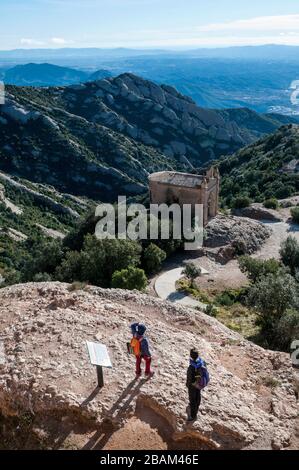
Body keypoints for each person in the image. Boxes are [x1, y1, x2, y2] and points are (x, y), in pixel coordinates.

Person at [186, 348, 209, 422]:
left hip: (192, 385)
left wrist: (188, 384)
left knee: (192, 399)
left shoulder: (192, 367)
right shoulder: (202, 362)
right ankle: (197, 405)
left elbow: (190, 378)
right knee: (198, 394)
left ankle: (193, 416)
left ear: (191, 356)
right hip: (200, 383)